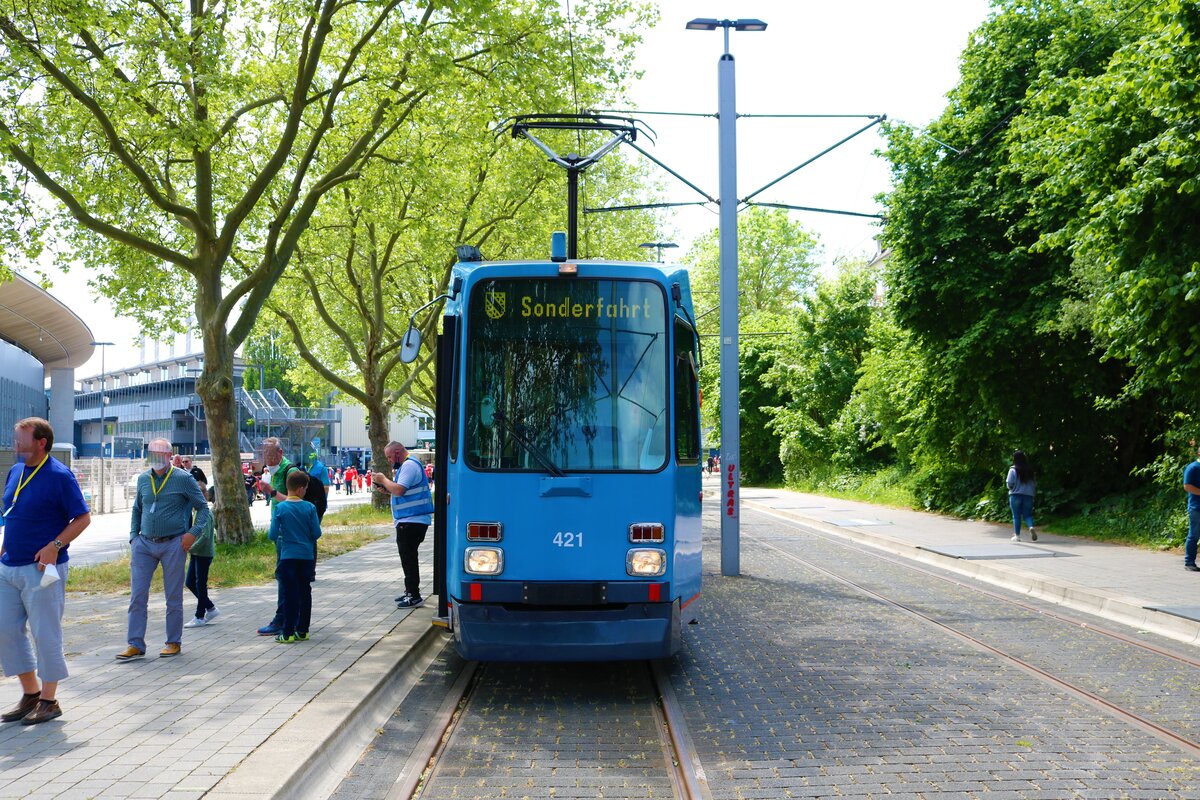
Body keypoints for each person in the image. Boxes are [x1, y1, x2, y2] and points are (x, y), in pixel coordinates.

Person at [0, 418, 91, 725]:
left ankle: (49, 701)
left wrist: (55, 545)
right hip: (9, 566)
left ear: (41, 442)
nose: (15, 446)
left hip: (42, 569)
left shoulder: (59, 476)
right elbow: (12, 515)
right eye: (14, 440)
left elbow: (82, 518)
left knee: (45, 634)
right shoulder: (15, 471)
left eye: (20, 441)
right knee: (6, 630)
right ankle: (30, 694)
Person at [118, 438, 209, 660]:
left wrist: (192, 534)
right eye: (153, 454)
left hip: (173, 543)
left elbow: (203, 508)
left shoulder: (183, 479)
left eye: (161, 454)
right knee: (137, 596)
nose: (157, 459)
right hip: (144, 544)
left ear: (170, 455)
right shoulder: (143, 479)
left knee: (173, 596)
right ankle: (135, 644)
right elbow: (137, 509)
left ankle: (172, 641)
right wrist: (133, 537)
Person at [373, 442, 434, 609]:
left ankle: (414, 595)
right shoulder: (410, 464)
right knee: (408, 557)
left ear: (398, 452)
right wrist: (387, 489)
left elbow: (399, 490)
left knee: (408, 558)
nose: (390, 461)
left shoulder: (408, 465)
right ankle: (410, 591)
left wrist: (383, 480)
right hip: (412, 520)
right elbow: (402, 491)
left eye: (390, 457)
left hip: (411, 521)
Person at [268, 470, 322, 643]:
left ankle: (288, 632)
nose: (306, 491)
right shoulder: (310, 507)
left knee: (289, 593)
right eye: (305, 488)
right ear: (300, 489)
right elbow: (316, 532)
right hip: (306, 556)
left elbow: (272, 534)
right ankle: (303, 630)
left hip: (288, 556)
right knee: (305, 592)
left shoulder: (281, 508)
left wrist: (285, 534)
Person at [255, 438, 293, 636]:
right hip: (279, 531)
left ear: (280, 452)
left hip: (288, 534)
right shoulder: (271, 471)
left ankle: (283, 618)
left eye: (270, 455)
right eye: (264, 455)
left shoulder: (290, 471)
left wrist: (272, 492)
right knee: (284, 575)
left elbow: (296, 501)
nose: (267, 459)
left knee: (285, 576)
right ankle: (289, 617)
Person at [183, 487, 219, 628]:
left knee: (200, 584)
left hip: (203, 553)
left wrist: (189, 548)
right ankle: (210, 608)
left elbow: (204, 537)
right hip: (197, 553)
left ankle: (199, 616)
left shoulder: (205, 513)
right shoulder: (197, 512)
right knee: (191, 582)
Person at [1006, 450, 1037, 542]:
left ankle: (1017, 536)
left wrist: (1010, 488)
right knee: (1027, 515)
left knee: (1016, 516)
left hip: (1015, 495)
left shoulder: (1013, 470)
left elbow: (1009, 483)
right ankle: (1031, 527)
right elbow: (1034, 484)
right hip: (1028, 495)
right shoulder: (1030, 471)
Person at [1183, 444, 1200, 572]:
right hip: (1196, 507)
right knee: (1194, 535)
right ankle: (1189, 562)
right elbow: (1187, 486)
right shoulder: (1193, 467)